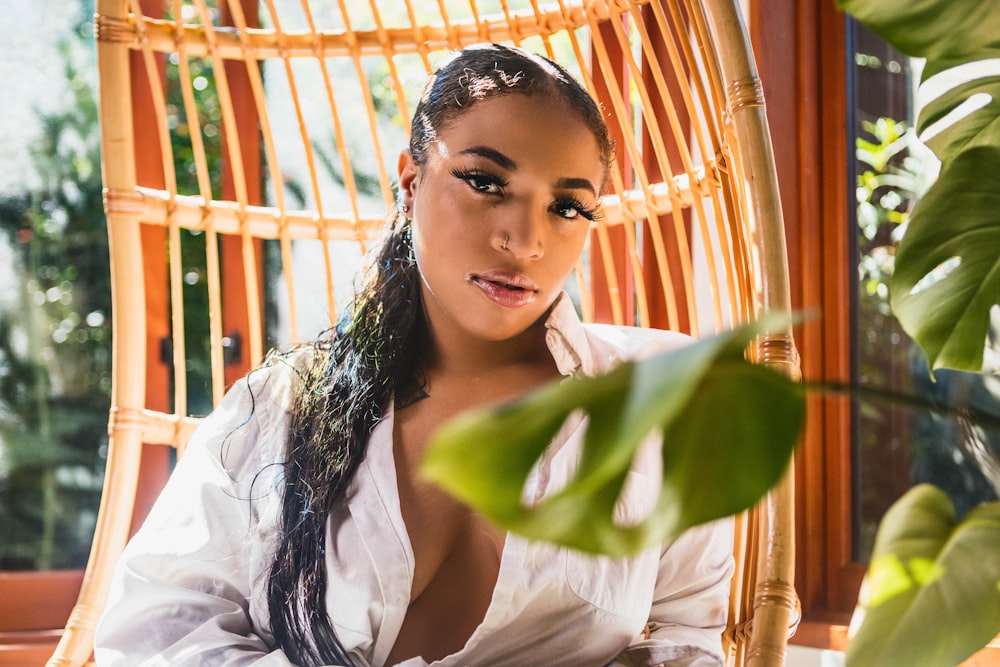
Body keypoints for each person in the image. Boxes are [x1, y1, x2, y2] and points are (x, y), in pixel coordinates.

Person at [94, 43, 733, 667]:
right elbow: (153, 631)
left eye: (567, 206)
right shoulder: (278, 413)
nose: (526, 240)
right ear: (410, 180)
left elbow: (692, 632)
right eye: (487, 182)